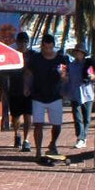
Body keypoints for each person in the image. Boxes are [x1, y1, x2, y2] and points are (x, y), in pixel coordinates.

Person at [24, 33, 68, 162]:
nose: (47, 50)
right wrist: (26, 87)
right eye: (45, 48)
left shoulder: (61, 59)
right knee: (38, 124)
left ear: (53, 46)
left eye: (50, 48)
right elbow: (28, 73)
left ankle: (53, 143)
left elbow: (66, 77)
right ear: (42, 46)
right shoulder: (35, 58)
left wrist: (63, 77)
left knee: (57, 124)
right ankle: (38, 150)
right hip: (38, 96)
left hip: (55, 96)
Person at [65, 42, 95, 150]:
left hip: (88, 94)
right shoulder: (71, 65)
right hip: (75, 94)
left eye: (80, 52)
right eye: (76, 52)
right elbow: (68, 79)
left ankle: (84, 137)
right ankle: (80, 138)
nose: (77, 54)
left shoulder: (90, 64)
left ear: (83, 54)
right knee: (77, 117)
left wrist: (93, 78)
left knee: (86, 118)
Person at [5, 31, 32, 151]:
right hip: (15, 90)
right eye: (21, 42)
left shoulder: (32, 55)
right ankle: (17, 134)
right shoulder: (13, 55)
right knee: (15, 117)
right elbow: (6, 74)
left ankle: (26, 140)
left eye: (25, 42)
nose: (23, 45)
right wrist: (4, 90)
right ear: (17, 43)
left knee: (28, 116)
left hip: (29, 91)